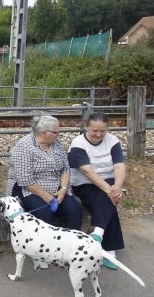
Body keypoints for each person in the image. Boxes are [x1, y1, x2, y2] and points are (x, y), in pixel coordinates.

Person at [7, 115, 82, 269]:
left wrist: (63, 189)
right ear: (42, 132)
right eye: (55, 132)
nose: (58, 134)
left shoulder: (55, 144)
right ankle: (42, 252)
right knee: (45, 213)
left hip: (56, 186)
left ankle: (72, 248)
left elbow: (65, 168)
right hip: (29, 188)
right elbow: (25, 180)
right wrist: (47, 196)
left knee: (74, 209)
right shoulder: (23, 147)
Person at [68, 112, 125, 270]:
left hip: (109, 181)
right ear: (86, 127)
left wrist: (117, 187)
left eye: (103, 131)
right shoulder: (78, 143)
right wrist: (111, 192)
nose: (99, 134)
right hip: (84, 183)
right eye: (95, 131)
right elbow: (87, 172)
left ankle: (97, 234)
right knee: (107, 199)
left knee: (106, 196)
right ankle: (109, 249)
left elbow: (119, 166)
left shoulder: (113, 141)